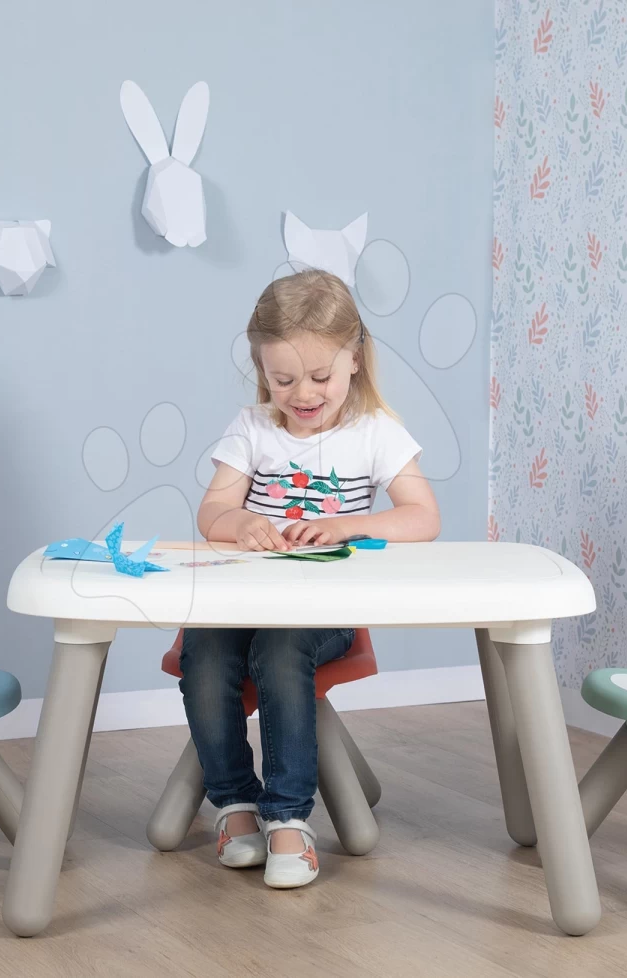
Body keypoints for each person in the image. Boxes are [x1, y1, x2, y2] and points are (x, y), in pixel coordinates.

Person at [184, 269, 440, 888]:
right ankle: (234, 804)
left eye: (320, 377)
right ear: (261, 369)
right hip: (240, 607)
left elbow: (423, 517)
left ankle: (288, 818)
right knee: (204, 650)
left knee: (280, 649)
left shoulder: (376, 433)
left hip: (324, 617)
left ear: (354, 359)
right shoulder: (252, 428)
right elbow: (211, 512)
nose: (302, 394)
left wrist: (347, 524)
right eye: (283, 379)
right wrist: (241, 521)